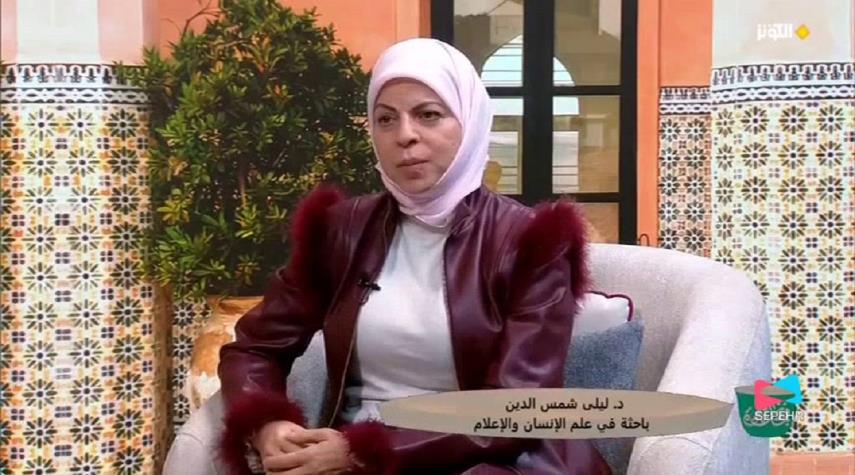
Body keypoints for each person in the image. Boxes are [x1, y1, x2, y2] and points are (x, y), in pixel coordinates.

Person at [217, 38, 612, 475]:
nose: (404, 135)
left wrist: (359, 452)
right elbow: (254, 348)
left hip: (492, 461)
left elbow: (516, 407)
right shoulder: (342, 231)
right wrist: (267, 423)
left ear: (469, 122)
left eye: (428, 114)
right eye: (386, 119)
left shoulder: (532, 241)